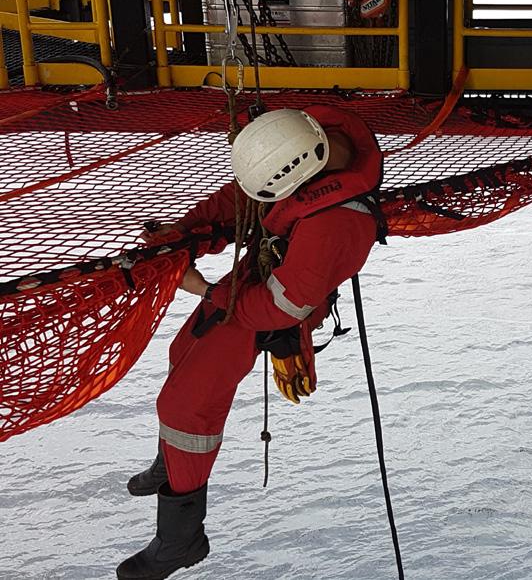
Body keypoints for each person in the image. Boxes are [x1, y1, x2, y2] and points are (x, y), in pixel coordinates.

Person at [116, 105, 384, 580]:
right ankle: (172, 464)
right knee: (182, 350)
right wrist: (184, 234)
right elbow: (240, 202)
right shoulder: (298, 148)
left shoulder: (336, 223)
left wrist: (205, 290)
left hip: (274, 307)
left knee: (186, 406)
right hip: (265, 278)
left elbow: (281, 308)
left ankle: (180, 540)